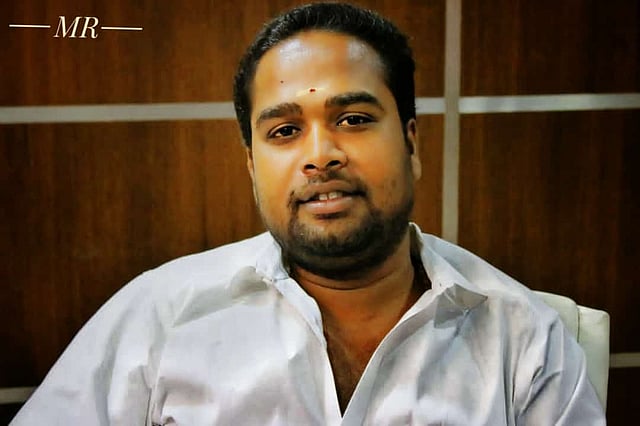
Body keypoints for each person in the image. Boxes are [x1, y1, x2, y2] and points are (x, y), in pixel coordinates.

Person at [12, 2, 605, 425]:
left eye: (354, 119)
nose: (320, 155)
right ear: (252, 165)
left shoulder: (525, 342)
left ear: (412, 143)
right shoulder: (159, 315)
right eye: (285, 130)